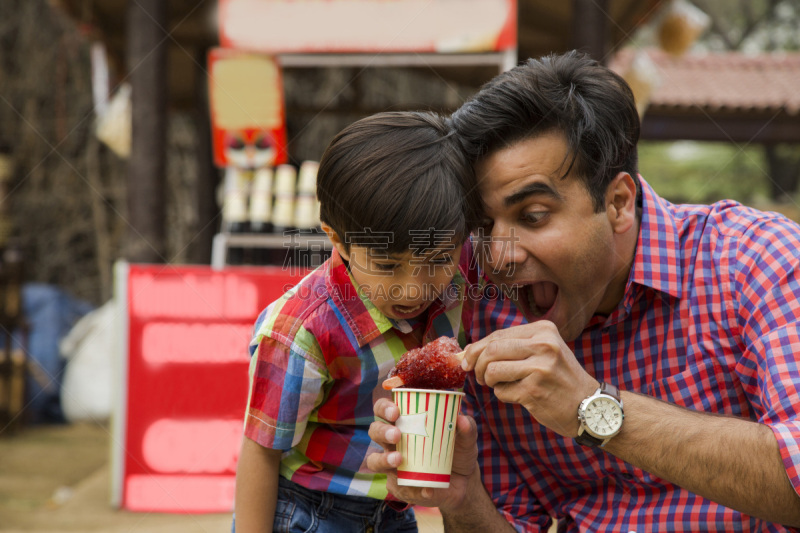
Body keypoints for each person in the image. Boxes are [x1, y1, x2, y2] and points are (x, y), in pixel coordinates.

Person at [367, 50, 800, 531]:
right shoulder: (479, 314)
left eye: (532, 217)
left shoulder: (751, 260)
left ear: (617, 202)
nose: (499, 255)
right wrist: (463, 498)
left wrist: (591, 407)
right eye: (484, 226)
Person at [233, 111, 480, 532]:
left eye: (437, 261)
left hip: (396, 513)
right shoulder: (302, 332)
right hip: (312, 513)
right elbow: (261, 451)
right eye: (386, 265)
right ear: (336, 239)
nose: (413, 290)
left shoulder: (460, 276)